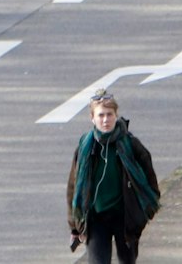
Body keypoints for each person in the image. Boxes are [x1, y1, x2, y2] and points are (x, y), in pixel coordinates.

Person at [66, 90, 160, 263]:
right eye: (101, 115)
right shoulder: (85, 146)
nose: (105, 120)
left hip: (124, 216)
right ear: (92, 118)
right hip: (96, 217)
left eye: (110, 115)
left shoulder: (130, 144)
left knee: (127, 260)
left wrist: (146, 210)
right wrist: (75, 224)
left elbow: (149, 176)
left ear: (116, 115)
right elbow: (73, 185)